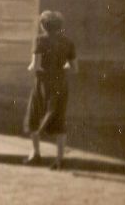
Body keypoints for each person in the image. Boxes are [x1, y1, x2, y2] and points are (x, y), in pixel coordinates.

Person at [24, 10, 77, 170]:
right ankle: (59, 160)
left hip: (42, 84)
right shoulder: (68, 42)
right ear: (60, 26)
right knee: (59, 120)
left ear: (43, 25)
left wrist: (30, 67)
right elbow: (74, 68)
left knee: (34, 117)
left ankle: (35, 154)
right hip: (60, 85)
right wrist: (60, 68)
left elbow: (35, 66)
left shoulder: (40, 40)